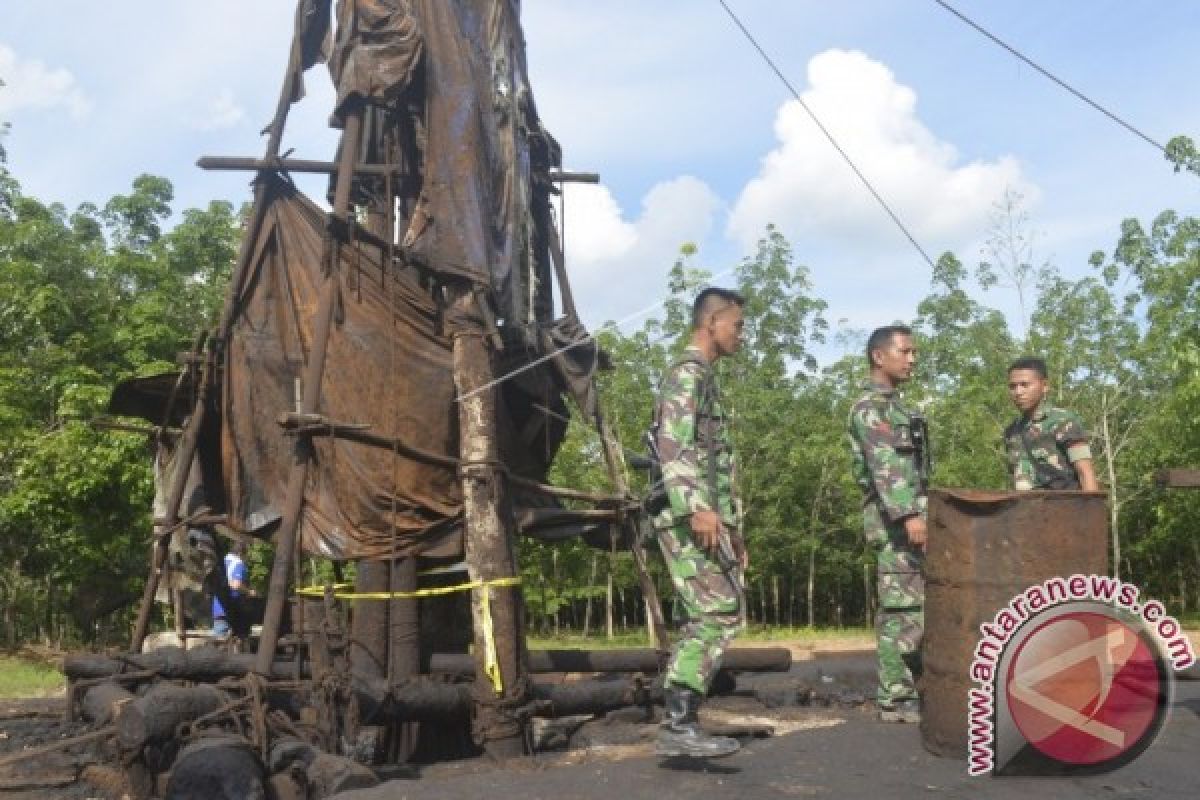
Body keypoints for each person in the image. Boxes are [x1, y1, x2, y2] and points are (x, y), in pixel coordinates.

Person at [650, 287, 747, 759]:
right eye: (738, 325)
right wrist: (697, 508)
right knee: (716, 612)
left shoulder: (705, 377)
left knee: (711, 612)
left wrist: (732, 527)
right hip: (690, 515)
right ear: (712, 323)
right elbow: (675, 444)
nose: (742, 336)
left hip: (708, 516)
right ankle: (678, 723)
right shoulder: (688, 374)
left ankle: (681, 719)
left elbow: (716, 465)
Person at [846, 325, 929, 724]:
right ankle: (895, 698)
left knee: (915, 609)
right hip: (895, 524)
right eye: (905, 351)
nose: (912, 359)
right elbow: (885, 467)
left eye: (914, 352)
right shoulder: (870, 408)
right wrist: (910, 514)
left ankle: (907, 691)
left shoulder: (897, 408)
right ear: (880, 357)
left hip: (911, 518)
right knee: (901, 609)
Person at [1004, 357, 1099, 491]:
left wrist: (1092, 509)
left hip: (1065, 507)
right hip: (1026, 509)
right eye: (1013, 386)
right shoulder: (1012, 431)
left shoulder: (1063, 422)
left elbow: (1085, 472)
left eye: (1025, 385)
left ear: (1045, 386)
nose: (1018, 392)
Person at [212, 539, 249, 638]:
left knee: (220, 643)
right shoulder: (238, 563)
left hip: (219, 608)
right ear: (241, 553)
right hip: (234, 609)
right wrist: (249, 591)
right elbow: (236, 585)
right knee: (240, 641)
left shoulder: (221, 562)